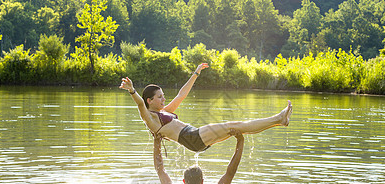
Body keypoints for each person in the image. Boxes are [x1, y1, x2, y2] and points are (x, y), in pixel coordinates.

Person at [119, 63, 292, 152]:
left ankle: (278, 121)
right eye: (160, 97)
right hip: (193, 137)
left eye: (163, 95)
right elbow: (140, 104)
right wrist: (132, 90)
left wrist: (196, 73)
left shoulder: (164, 112)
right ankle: (278, 118)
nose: (164, 99)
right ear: (150, 100)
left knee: (237, 128)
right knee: (237, 125)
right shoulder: (150, 118)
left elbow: (181, 94)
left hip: (195, 137)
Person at [153, 129, 244, 184]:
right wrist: (240, 140)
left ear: (184, 181)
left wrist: (157, 141)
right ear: (202, 181)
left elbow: (160, 169)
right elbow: (230, 173)